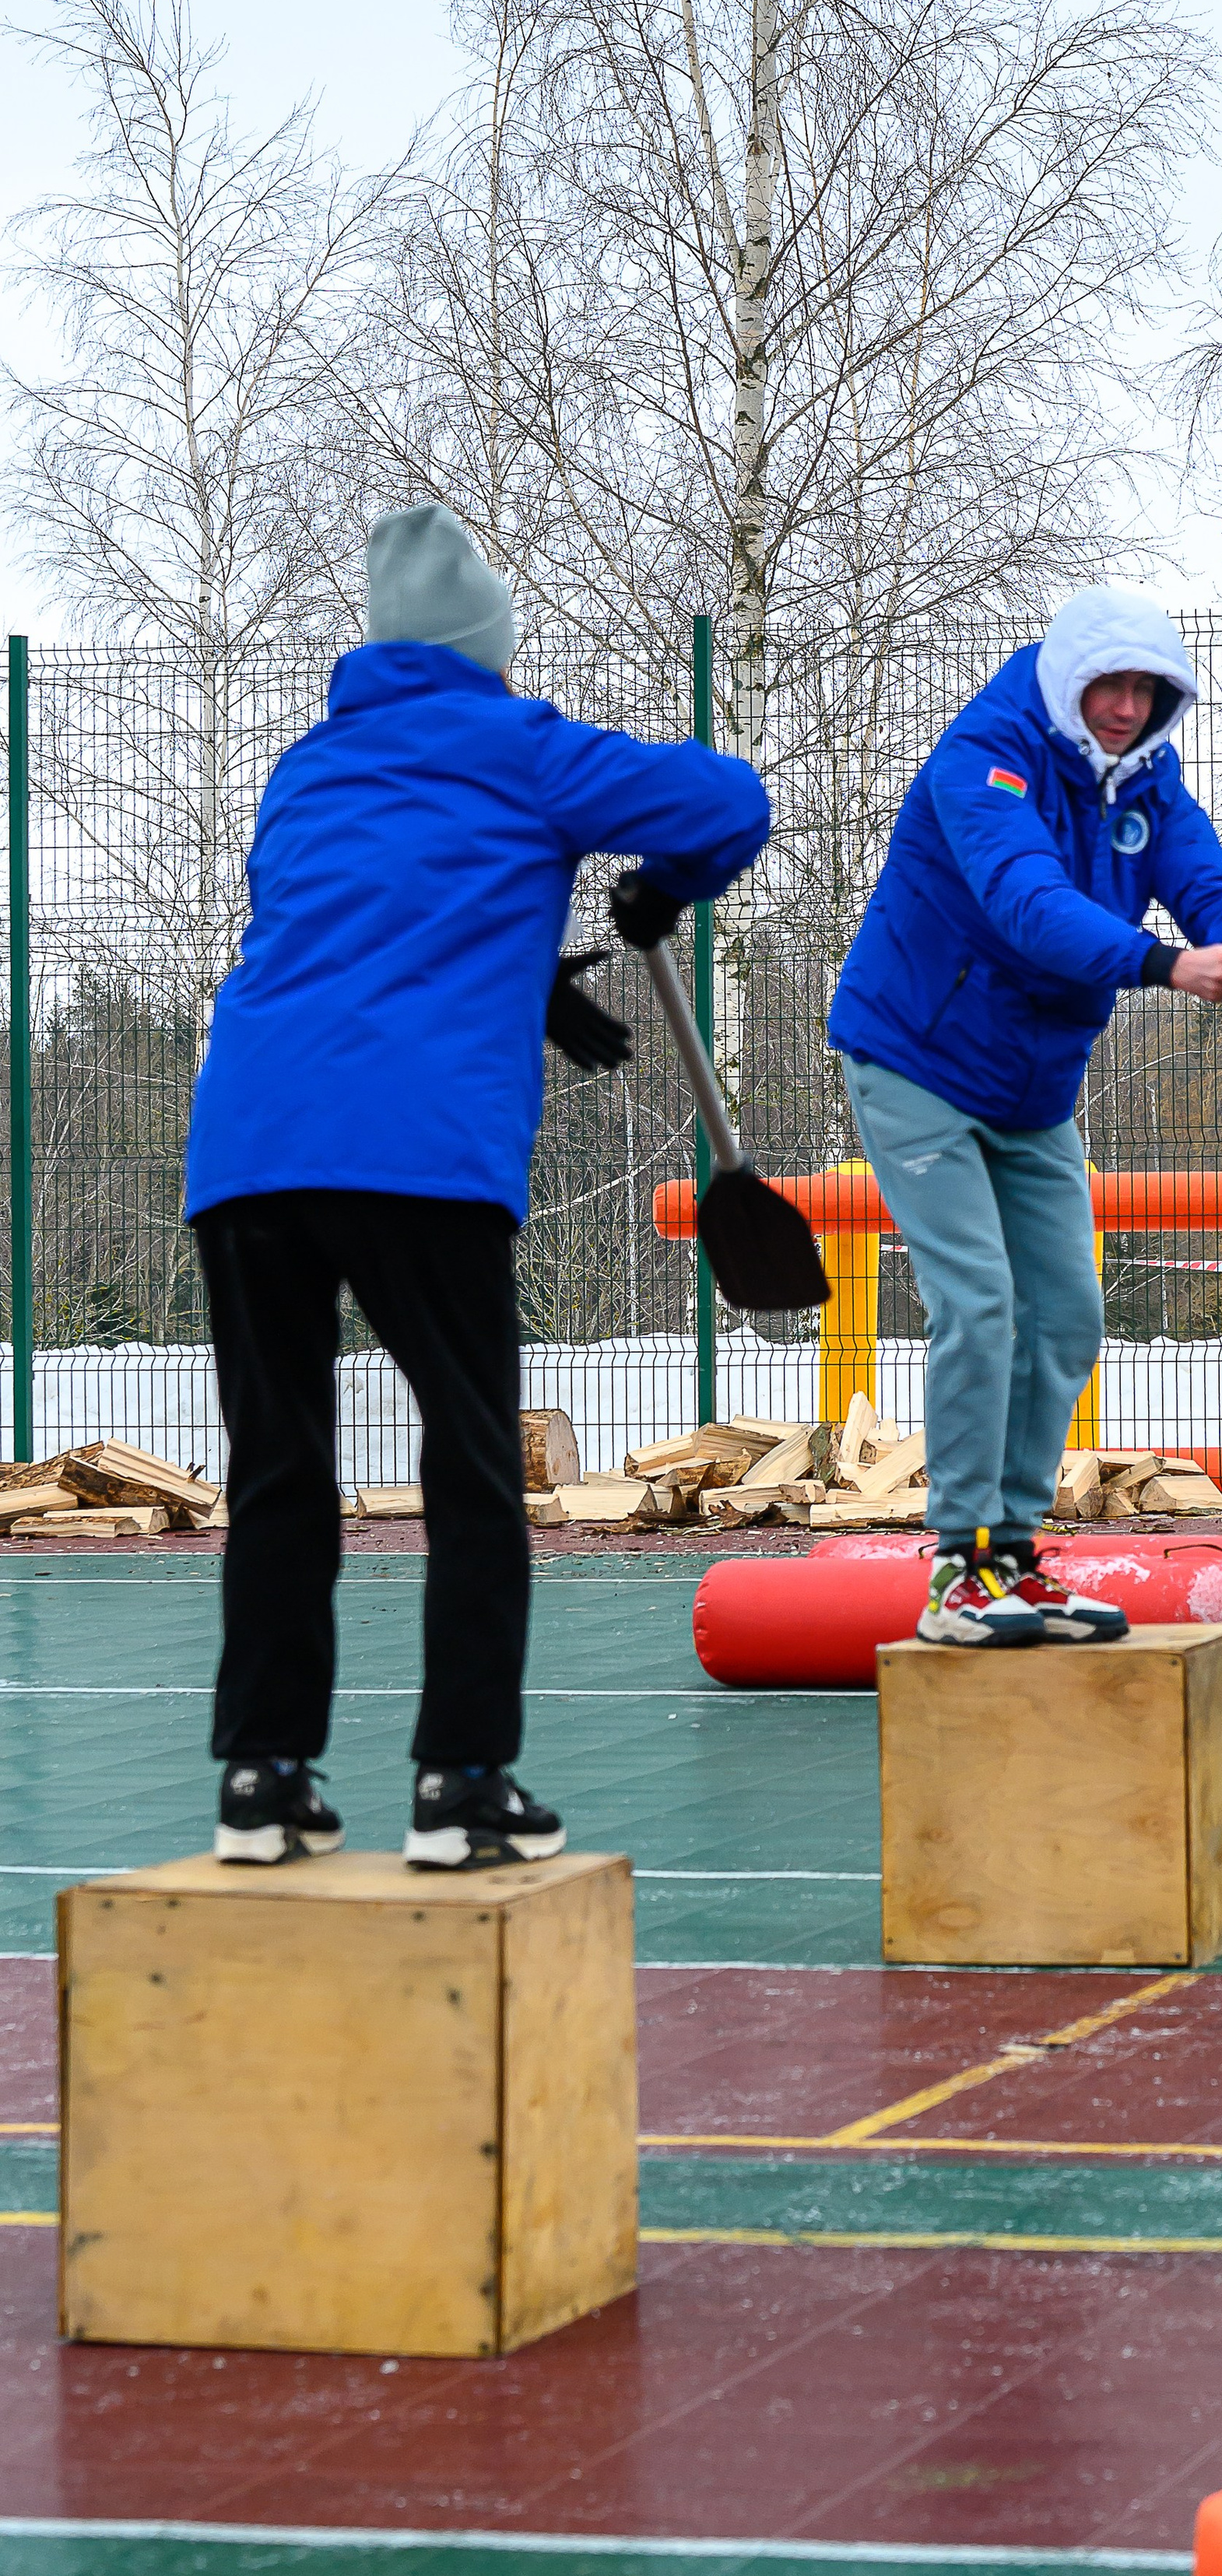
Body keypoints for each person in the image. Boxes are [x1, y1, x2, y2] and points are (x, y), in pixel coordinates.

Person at [186, 502, 768, 1868]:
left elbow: (353, 926)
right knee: (468, 1462)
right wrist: (657, 892)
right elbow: (728, 802)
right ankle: (461, 1785)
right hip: (417, 1155)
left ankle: (263, 1782)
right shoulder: (520, 746)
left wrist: (528, 981)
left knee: (279, 1468)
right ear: (490, 650)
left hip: (252, 1148)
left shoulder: (305, 773)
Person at [827, 587, 1222, 1646]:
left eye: (1147, 690)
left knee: (1069, 1312)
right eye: (1109, 686)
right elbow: (1028, 905)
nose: (1127, 707)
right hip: (916, 1060)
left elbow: (1198, 869)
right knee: (981, 1304)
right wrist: (1172, 964)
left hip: (1033, 1088)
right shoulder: (986, 757)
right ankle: (958, 1576)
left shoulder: (1146, 774)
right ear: (1066, 683)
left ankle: (1015, 1559)